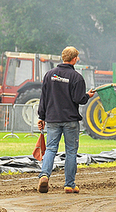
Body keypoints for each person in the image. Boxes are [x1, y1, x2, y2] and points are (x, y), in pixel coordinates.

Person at [37, 46, 95, 194]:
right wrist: (87, 95)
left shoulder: (49, 75)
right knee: (70, 152)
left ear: (63, 57)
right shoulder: (77, 77)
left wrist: (41, 117)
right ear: (74, 59)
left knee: (50, 149)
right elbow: (79, 99)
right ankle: (69, 184)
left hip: (52, 119)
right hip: (70, 120)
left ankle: (44, 175)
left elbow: (44, 98)